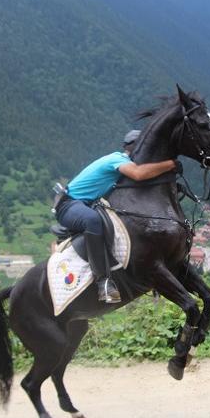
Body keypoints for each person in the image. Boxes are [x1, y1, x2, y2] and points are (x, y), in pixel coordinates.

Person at [54, 130, 179, 303]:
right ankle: (103, 282)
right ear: (137, 149)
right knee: (92, 221)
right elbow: (139, 174)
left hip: (85, 204)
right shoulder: (118, 160)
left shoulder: (122, 164)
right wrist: (170, 164)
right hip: (69, 205)